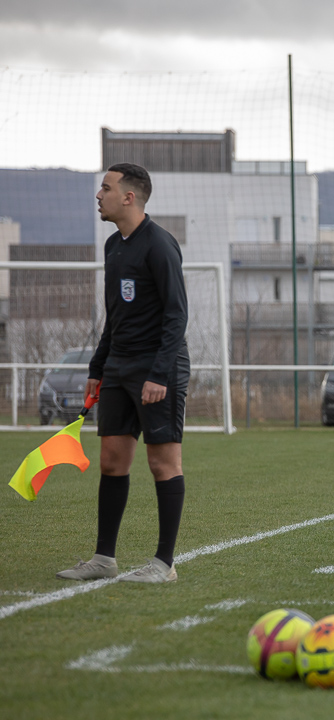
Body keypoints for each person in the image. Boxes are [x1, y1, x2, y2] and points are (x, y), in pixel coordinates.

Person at [56, 163, 190, 584]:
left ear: (129, 197)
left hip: (158, 367)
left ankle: (164, 564)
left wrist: (159, 374)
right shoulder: (113, 244)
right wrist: (98, 368)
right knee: (112, 461)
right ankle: (104, 559)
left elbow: (176, 315)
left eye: (106, 188)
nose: (99, 195)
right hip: (118, 367)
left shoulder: (160, 245)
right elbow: (114, 317)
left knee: (162, 462)